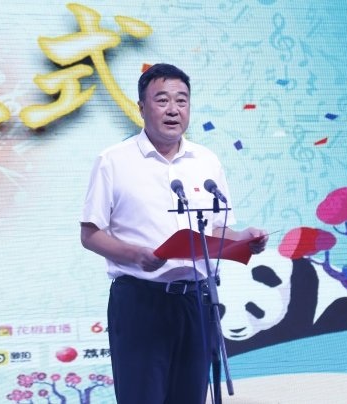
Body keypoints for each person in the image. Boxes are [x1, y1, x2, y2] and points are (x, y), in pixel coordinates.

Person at [80, 63, 268, 404]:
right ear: (141, 107)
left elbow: (217, 229)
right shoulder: (113, 161)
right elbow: (90, 234)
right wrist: (136, 255)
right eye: (162, 100)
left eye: (181, 100)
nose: (173, 109)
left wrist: (245, 239)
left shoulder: (206, 161)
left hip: (197, 301)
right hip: (140, 300)